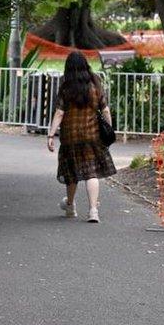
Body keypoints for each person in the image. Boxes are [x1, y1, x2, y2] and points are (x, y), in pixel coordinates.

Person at [45, 51, 116, 223]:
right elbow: (105, 109)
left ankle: (70, 206)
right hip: (92, 136)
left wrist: (51, 134)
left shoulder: (66, 87)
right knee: (91, 173)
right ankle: (93, 211)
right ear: (86, 65)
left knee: (72, 173)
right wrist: (109, 128)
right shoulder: (95, 84)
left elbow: (60, 113)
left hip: (70, 138)